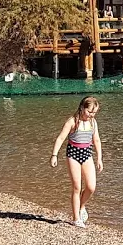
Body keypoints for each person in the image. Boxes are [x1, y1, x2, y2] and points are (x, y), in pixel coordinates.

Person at [51, 96, 103, 227]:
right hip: (73, 154)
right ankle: (76, 219)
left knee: (91, 187)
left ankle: (81, 206)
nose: (91, 115)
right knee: (77, 187)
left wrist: (99, 158)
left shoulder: (93, 123)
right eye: (89, 112)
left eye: (94, 112)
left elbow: (96, 140)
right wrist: (54, 155)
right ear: (82, 108)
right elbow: (60, 138)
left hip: (87, 154)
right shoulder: (72, 121)